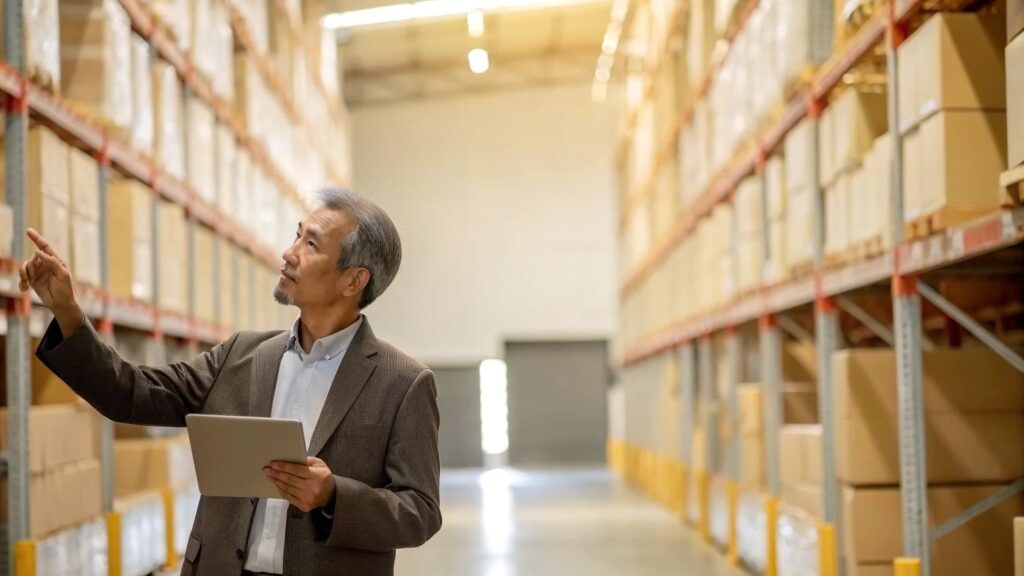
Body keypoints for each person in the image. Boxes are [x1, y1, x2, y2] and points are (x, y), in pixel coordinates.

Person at [21, 188, 441, 576]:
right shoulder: (241, 355)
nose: (288, 253)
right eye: (296, 236)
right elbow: (130, 395)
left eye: (310, 244)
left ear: (354, 280)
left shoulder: (402, 383)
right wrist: (68, 313)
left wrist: (334, 495)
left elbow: (420, 510)